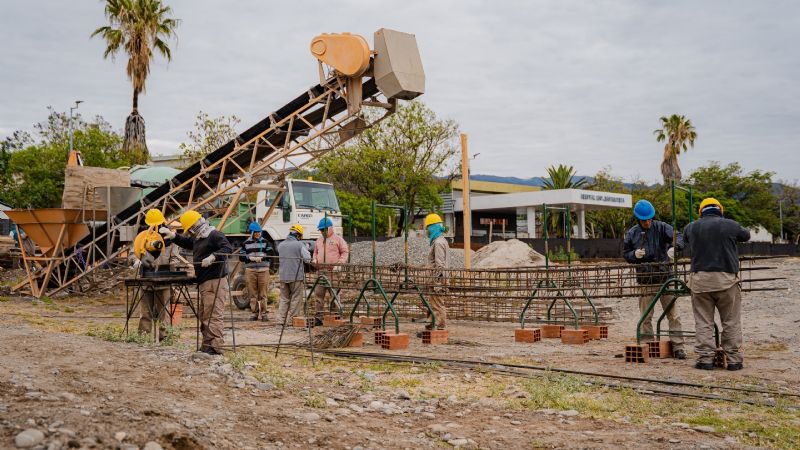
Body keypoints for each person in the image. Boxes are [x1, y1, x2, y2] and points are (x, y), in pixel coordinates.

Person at [683, 198, 750, 371]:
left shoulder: (691, 227)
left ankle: (705, 359)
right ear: (720, 209)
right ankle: (734, 360)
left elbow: (683, 240)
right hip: (726, 280)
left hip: (700, 282)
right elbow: (746, 235)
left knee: (703, 321)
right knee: (730, 321)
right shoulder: (730, 225)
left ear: (701, 211)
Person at [622, 199, 687, 359]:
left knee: (674, 314)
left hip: (666, 278)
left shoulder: (662, 227)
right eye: (645, 220)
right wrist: (634, 255)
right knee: (646, 316)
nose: (648, 222)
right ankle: (648, 346)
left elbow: (678, 236)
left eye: (650, 218)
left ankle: (678, 347)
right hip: (645, 280)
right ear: (638, 219)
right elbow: (626, 253)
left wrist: (675, 247)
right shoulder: (632, 234)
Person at [163, 210, 233, 355]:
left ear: (195, 225)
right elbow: (189, 243)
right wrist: (174, 236)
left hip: (215, 280)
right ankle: (207, 345)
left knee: (213, 314)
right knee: (205, 313)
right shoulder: (199, 238)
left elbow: (227, 248)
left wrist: (213, 257)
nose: (189, 233)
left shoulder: (214, 235)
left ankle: (215, 346)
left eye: (190, 229)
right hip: (205, 281)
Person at [131, 209, 181, 339]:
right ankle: (143, 337)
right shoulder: (143, 237)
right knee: (145, 311)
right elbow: (134, 251)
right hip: (146, 279)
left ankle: (164, 337)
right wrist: (137, 260)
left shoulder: (169, 238)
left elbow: (175, 258)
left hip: (163, 280)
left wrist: (171, 268)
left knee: (164, 312)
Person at [311, 217, 349, 325]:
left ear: (330, 228)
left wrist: (340, 263)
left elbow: (345, 252)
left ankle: (336, 317)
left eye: (324, 230)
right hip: (321, 272)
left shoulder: (338, 239)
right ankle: (318, 318)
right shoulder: (319, 240)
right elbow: (315, 252)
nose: (322, 232)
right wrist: (314, 259)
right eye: (321, 230)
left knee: (334, 294)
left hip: (333, 272)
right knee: (318, 295)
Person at [276, 224, 311, 327]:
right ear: (298, 235)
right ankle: (292, 322)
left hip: (283, 276)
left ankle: (280, 322)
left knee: (284, 299)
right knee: (296, 299)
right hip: (296, 276)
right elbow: (307, 259)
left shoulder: (280, 245)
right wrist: (306, 248)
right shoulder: (299, 245)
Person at [240, 222, 272, 321]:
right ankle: (254, 313)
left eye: (259, 232)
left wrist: (263, 257)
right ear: (252, 232)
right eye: (256, 232)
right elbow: (241, 257)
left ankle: (263, 313)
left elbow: (271, 254)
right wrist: (249, 258)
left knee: (263, 293)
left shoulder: (266, 242)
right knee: (252, 293)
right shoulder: (246, 243)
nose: (258, 234)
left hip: (263, 270)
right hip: (250, 270)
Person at [424, 213, 449, 330]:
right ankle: (431, 325)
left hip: (437, 280)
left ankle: (438, 327)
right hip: (437, 278)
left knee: (437, 305)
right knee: (433, 303)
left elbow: (440, 265)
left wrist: (436, 282)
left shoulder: (438, 243)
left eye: (428, 228)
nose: (427, 231)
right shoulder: (441, 241)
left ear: (433, 227)